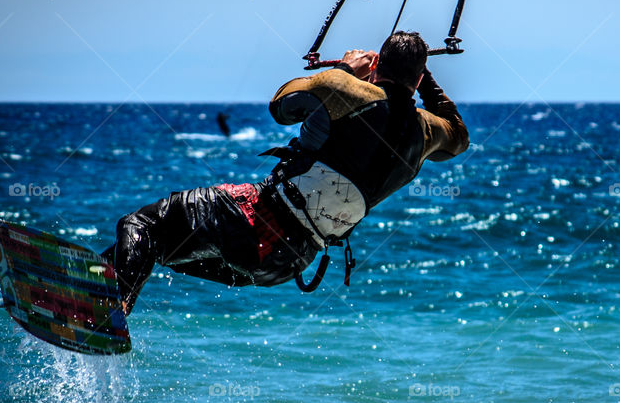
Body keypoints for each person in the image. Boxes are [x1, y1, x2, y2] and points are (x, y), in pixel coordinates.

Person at [101, 31, 469, 315]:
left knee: (141, 226)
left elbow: (280, 105)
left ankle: (112, 313)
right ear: (418, 80)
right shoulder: (426, 132)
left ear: (377, 68)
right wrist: (424, 75)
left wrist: (343, 71)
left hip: (253, 224)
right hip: (282, 264)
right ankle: (94, 289)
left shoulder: (345, 89)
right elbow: (459, 135)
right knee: (155, 248)